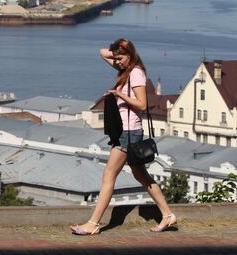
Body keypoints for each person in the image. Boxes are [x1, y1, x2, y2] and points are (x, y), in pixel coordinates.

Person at [71, 38, 176, 235]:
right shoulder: (127, 69)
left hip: (128, 133)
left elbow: (142, 104)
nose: (116, 62)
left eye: (120, 58)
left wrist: (120, 96)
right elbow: (102, 52)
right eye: (116, 58)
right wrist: (118, 51)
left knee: (109, 176)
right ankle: (168, 215)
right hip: (127, 132)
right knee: (141, 175)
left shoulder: (135, 73)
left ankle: (93, 224)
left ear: (130, 56)